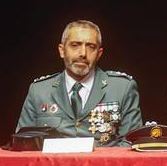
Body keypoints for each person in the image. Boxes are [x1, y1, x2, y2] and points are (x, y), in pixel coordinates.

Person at [15, 20, 143, 147]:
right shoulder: (39, 90)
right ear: (62, 50)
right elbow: (23, 143)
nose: (83, 53)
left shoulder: (122, 88)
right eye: (75, 45)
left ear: (99, 54)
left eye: (91, 47)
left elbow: (131, 143)